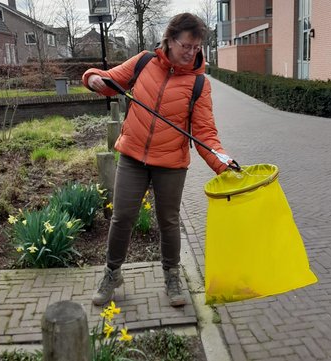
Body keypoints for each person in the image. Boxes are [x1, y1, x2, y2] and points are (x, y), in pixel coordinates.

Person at [82, 13, 236, 307]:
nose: (191, 53)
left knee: (168, 221)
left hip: (171, 164)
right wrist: (92, 79)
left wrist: (223, 164)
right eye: (185, 46)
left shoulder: (199, 84)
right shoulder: (143, 63)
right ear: (169, 40)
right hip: (133, 156)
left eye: (196, 47)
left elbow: (205, 133)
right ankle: (112, 273)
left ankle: (172, 275)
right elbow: (105, 78)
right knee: (122, 216)